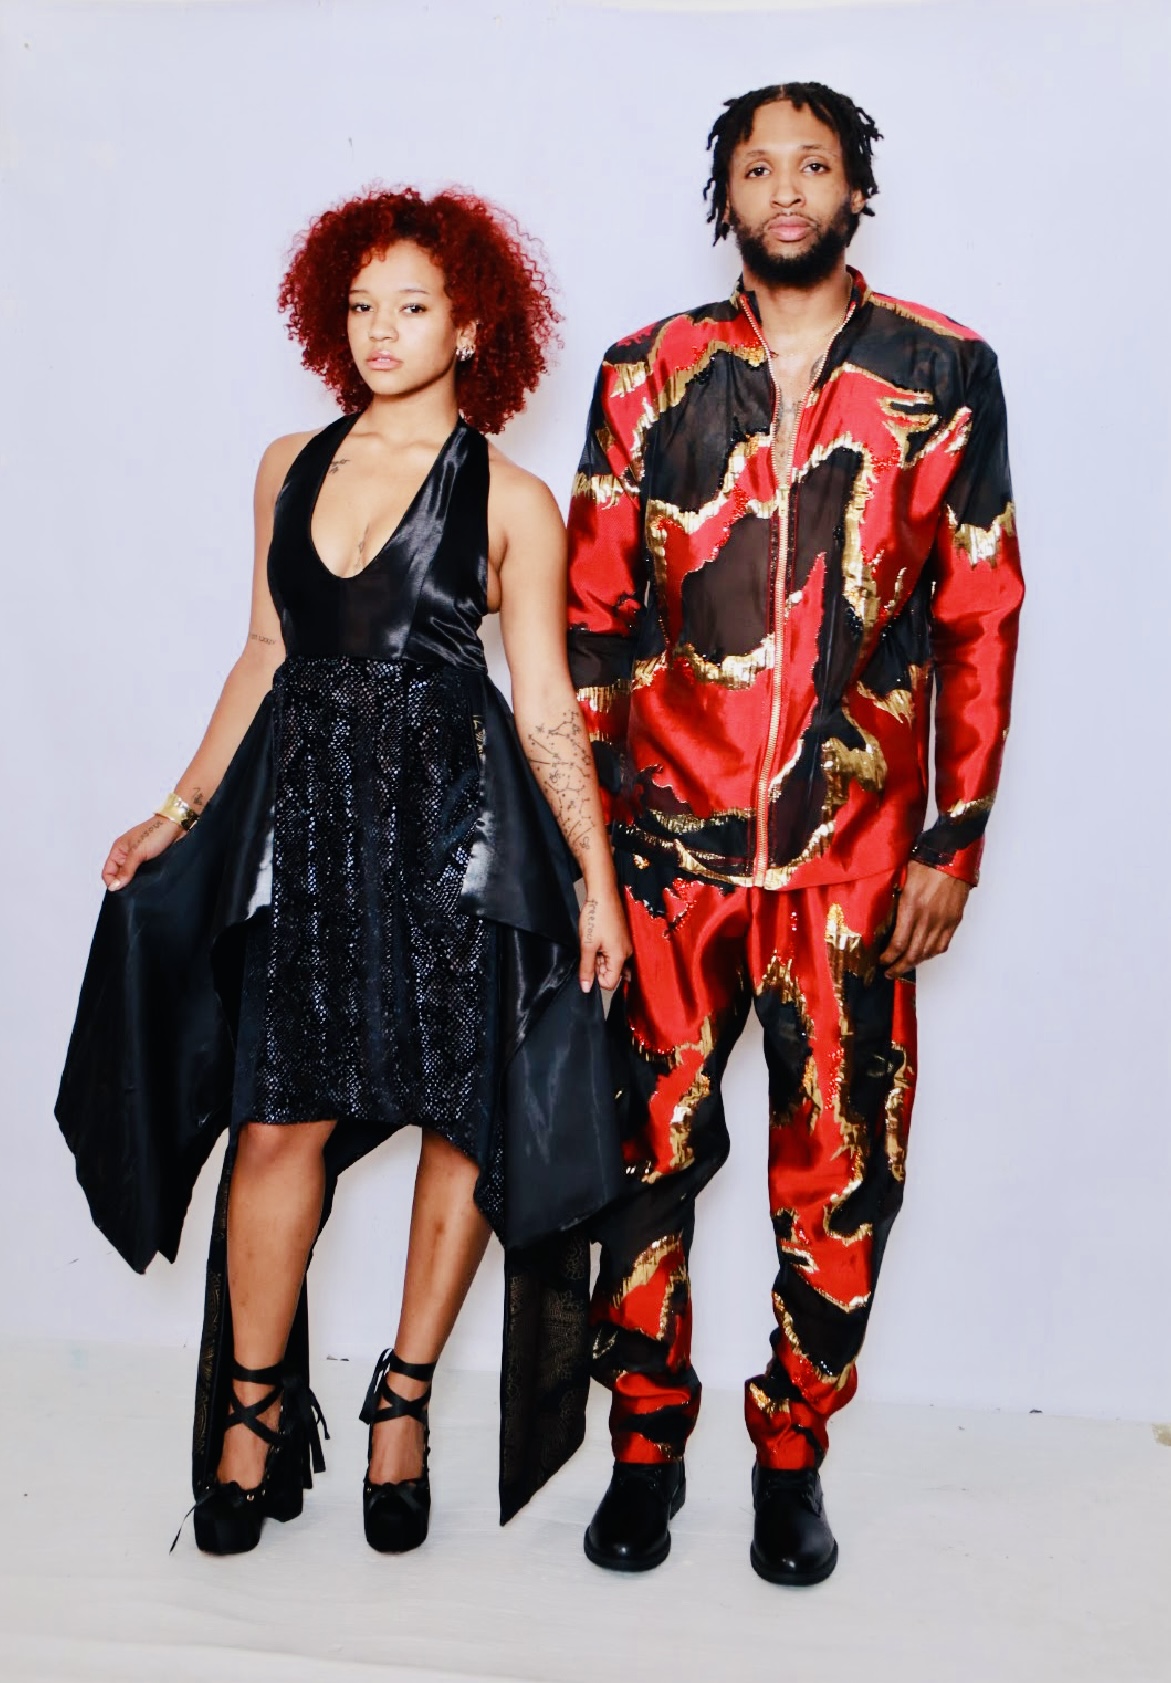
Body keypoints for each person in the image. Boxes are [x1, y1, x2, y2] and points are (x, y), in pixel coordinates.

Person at [56, 186, 630, 1556]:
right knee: (279, 1122)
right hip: (307, 832)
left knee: (463, 1118)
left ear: (472, 325)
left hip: (456, 833)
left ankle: (402, 1400)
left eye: (411, 307)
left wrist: (596, 882)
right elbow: (265, 651)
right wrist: (181, 808)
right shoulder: (286, 465)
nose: (381, 331)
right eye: (362, 306)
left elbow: (545, 705)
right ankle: (256, 1411)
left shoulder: (511, 499)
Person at [566, 83, 1024, 1584]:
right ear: (725, 197)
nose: (785, 189)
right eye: (757, 167)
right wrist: (591, 856)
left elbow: (979, 613)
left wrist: (953, 839)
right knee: (643, 1161)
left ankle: (789, 1454)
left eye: (813, 165)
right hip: (667, 859)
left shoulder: (941, 372)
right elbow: (589, 619)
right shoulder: (648, 372)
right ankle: (645, 1447)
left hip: (856, 860)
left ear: (856, 192)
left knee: (841, 1171)